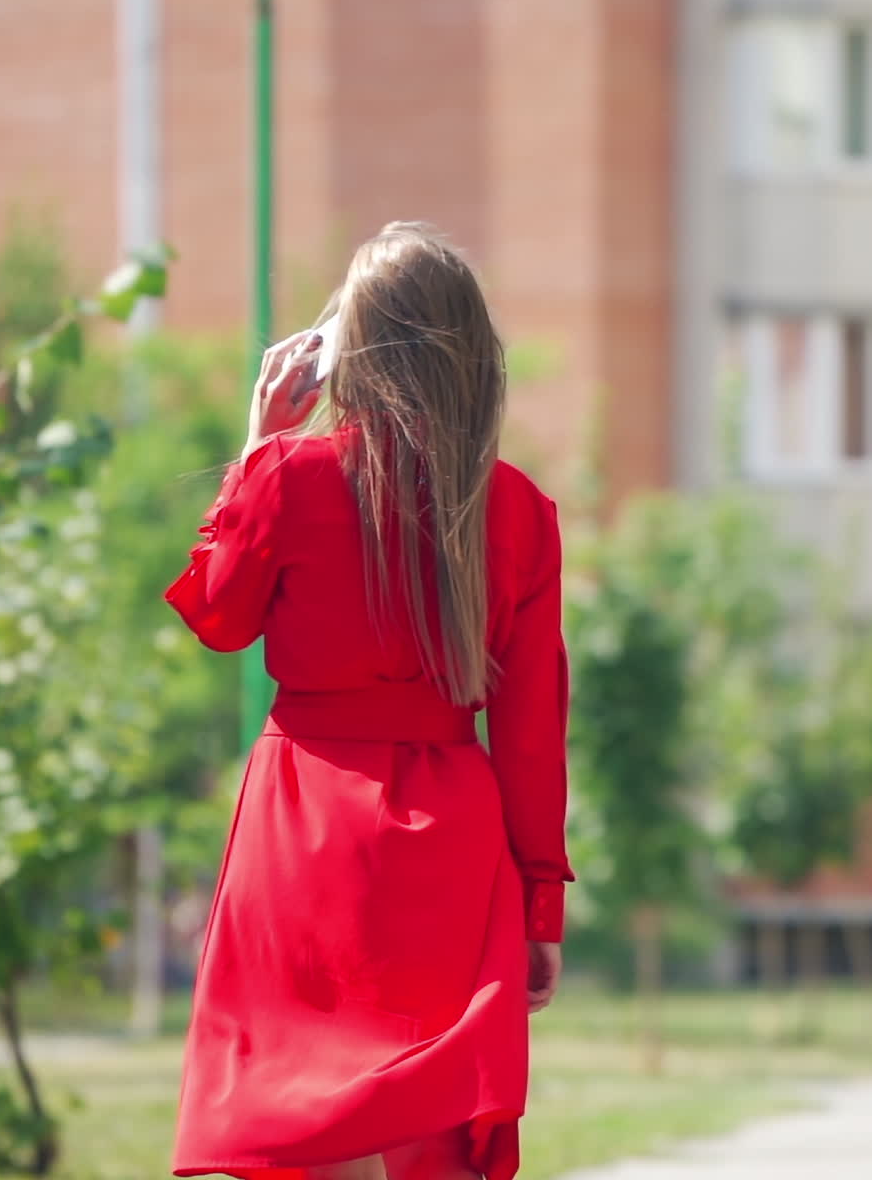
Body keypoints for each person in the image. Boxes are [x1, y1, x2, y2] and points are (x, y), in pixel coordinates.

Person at [165, 222, 574, 1180]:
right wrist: (539, 907)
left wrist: (257, 446)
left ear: (352, 350)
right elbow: (530, 735)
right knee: (423, 1122)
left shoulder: (289, 478)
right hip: (452, 842)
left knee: (303, 1117)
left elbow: (220, 616)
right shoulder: (517, 510)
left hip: (306, 823)